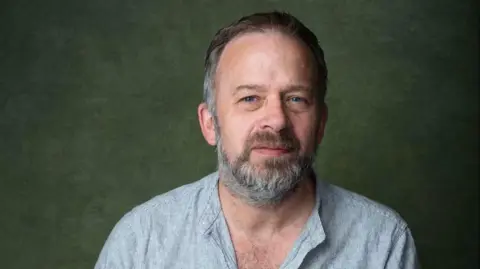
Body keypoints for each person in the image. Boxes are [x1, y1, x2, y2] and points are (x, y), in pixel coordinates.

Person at [94, 11, 419, 269]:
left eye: (296, 99)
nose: (276, 120)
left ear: (320, 124)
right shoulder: (141, 241)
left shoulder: (382, 242)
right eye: (250, 98)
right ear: (210, 123)